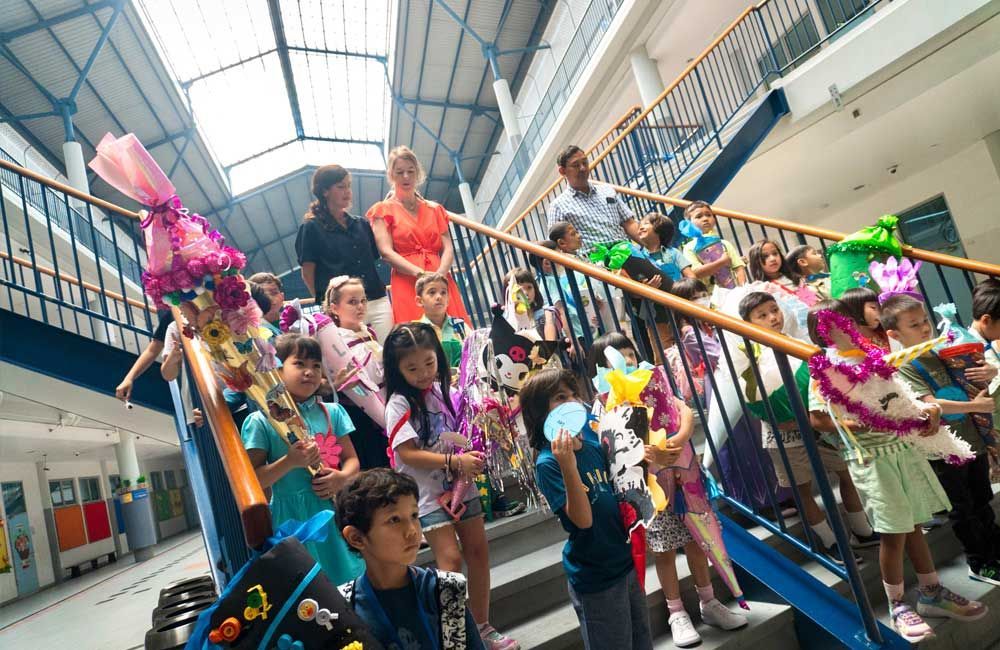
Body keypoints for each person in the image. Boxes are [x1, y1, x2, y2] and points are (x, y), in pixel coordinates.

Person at [809, 299, 985, 642]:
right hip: (872, 459)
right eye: (833, 325)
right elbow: (818, 418)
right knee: (893, 533)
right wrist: (858, 423)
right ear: (821, 333)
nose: (845, 328)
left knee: (914, 524)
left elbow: (902, 397)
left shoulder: (873, 357)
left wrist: (927, 413)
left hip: (903, 449)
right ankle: (898, 603)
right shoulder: (826, 370)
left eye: (848, 321)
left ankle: (931, 591)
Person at [588, 334, 748, 647]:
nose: (627, 361)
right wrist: (651, 455)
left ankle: (709, 601)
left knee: (697, 541)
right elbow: (612, 449)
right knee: (663, 550)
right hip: (649, 489)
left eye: (629, 354)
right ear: (600, 368)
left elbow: (683, 411)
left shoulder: (654, 381)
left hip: (684, 477)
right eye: (617, 357)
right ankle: (676, 612)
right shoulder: (603, 404)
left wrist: (679, 438)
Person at [383, 323, 518, 650]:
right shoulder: (398, 404)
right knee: (450, 561)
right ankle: (456, 637)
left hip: (463, 487)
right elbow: (406, 453)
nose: (423, 373)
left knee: (478, 553)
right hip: (426, 497)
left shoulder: (449, 393)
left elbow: (468, 431)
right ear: (397, 370)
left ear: (439, 358)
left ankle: (482, 627)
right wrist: (455, 462)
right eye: (412, 368)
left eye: (429, 363)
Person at [521, 368, 653, 650]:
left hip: (625, 560)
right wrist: (568, 466)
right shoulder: (548, 463)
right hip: (597, 577)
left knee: (642, 640)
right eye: (560, 397)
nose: (572, 402)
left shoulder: (593, 441)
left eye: (574, 394)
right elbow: (583, 520)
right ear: (540, 412)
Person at [740, 293, 876, 564]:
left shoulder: (797, 343)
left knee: (846, 473)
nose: (773, 318)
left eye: (774, 310)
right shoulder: (748, 360)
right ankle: (830, 542)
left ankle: (862, 530)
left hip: (819, 425)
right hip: (785, 433)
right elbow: (750, 396)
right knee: (802, 488)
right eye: (762, 315)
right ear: (748, 322)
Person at [885, 294, 1000, 586]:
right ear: (894, 334)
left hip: (970, 438)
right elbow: (928, 403)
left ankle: (994, 551)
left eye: (925, 320)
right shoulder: (903, 365)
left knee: (982, 500)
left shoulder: (940, 349)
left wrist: (990, 370)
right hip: (943, 447)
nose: (925, 328)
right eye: (914, 325)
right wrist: (974, 406)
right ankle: (980, 562)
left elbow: (971, 378)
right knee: (963, 508)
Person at [241, 333, 365, 584]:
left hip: (335, 511)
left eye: (316, 365)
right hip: (291, 520)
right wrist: (289, 461)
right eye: (299, 364)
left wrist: (341, 478)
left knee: (351, 579)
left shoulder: (333, 412)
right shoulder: (260, 421)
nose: (309, 372)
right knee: (309, 588)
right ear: (276, 370)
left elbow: (352, 460)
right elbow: (253, 479)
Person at [670, 279, 791, 516]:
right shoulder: (690, 332)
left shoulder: (710, 323)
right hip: (722, 382)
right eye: (694, 297)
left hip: (739, 377)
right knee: (742, 446)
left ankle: (780, 496)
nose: (702, 299)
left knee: (758, 441)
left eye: (703, 293)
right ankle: (758, 503)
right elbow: (721, 355)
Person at [336, 468, 486, 650]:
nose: (412, 531)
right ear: (356, 538)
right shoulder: (344, 606)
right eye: (394, 520)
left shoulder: (445, 590)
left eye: (414, 515)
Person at [368, 146, 470, 324]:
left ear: (417, 172)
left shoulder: (435, 209)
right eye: (400, 172)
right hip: (407, 279)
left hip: (440, 277)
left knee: (454, 330)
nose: (406, 176)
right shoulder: (382, 210)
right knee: (416, 333)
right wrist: (420, 274)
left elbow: (448, 247)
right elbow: (386, 252)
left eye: (410, 171)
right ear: (391, 175)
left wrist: (440, 274)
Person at [296, 164, 393, 342]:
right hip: (342, 308)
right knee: (353, 355)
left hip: (377, 300)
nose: (347, 191)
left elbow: (372, 260)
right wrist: (328, 305)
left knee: (388, 351)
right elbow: (307, 273)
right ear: (325, 191)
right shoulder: (310, 228)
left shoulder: (362, 224)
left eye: (349, 186)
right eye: (341, 187)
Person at [324, 276, 390, 470]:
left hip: (384, 403)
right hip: (358, 415)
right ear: (334, 308)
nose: (360, 306)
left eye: (363, 300)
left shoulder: (369, 332)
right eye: (352, 302)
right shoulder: (333, 341)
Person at [546, 145, 640, 256]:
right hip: (596, 262)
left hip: (628, 252)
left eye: (585, 162)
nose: (583, 168)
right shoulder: (558, 206)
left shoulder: (607, 190)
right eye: (576, 165)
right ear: (562, 171)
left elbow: (629, 223)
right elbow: (557, 248)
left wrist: (651, 244)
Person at [682, 201, 746, 288]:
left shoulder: (724, 243)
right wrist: (721, 262)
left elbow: (739, 268)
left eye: (709, 215)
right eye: (699, 216)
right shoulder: (689, 247)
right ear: (689, 223)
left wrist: (742, 289)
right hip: (709, 294)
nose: (705, 219)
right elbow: (695, 273)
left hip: (733, 291)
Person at [115, 310, 172, 402]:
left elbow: (153, 349)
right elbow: (153, 349)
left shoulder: (173, 315)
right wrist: (129, 378)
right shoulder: (173, 316)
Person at [413, 272, 468, 370]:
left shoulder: (460, 325)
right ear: (419, 301)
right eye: (432, 292)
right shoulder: (415, 330)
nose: (439, 297)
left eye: (443, 292)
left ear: (448, 299)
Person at [500, 266, 560, 340]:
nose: (525, 292)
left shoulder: (546, 315)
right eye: (520, 289)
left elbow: (550, 344)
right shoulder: (505, 320)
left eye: (529, 287)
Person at [634, 212, 695, 282]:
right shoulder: (640, 257)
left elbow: (691, 277)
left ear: (659, 227)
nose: (641, 228)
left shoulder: (674, 253)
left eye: (646, 223)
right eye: (640, 226)